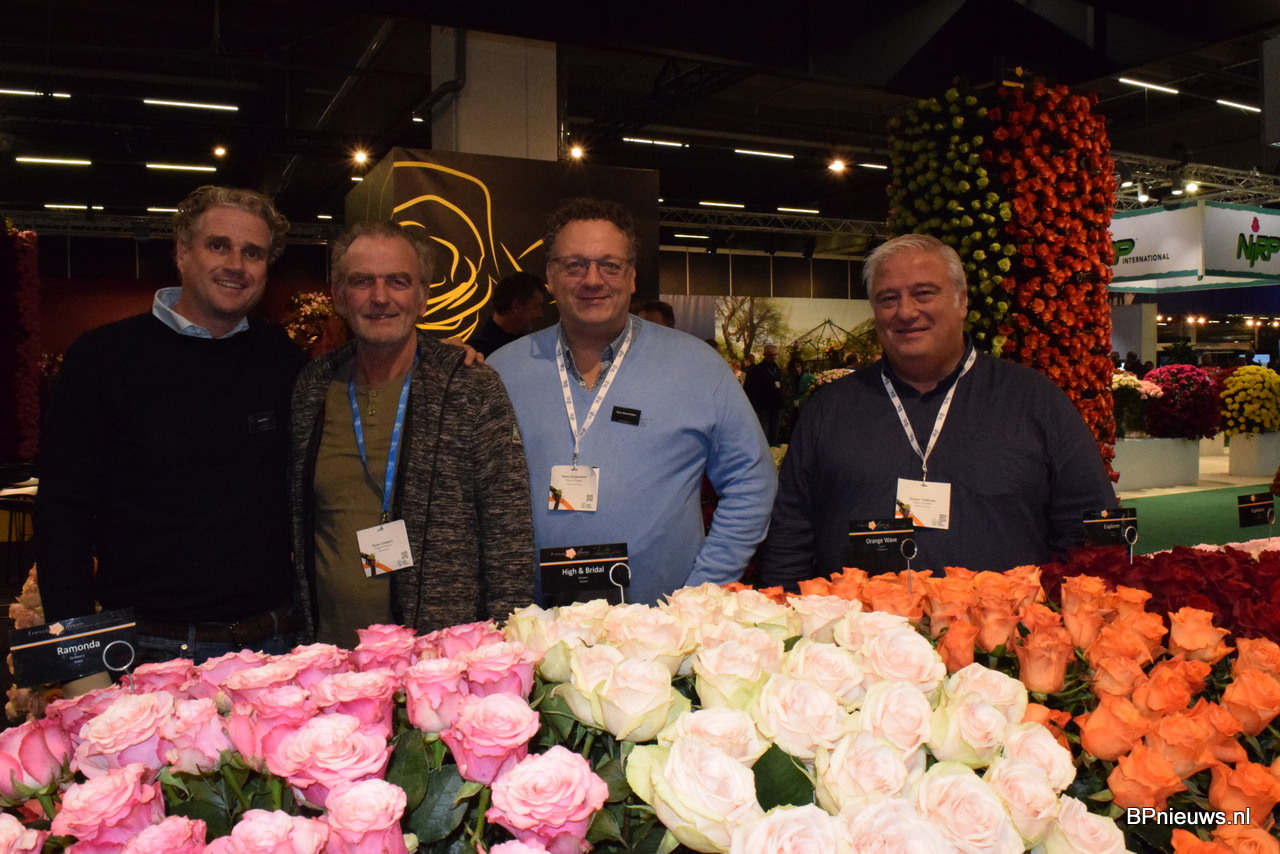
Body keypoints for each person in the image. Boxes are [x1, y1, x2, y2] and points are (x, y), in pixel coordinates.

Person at [36, 185, 308, 673]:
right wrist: (78, 662)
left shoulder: (283, 361)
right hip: (148, 654)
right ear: (182, 252)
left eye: (253, 252)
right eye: (218, 245)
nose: (236, 264)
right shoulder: (102, 359)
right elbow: (63, 514)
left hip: (274, 648)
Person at [758, 233, 1115, 588]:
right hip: (853, 622)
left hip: (1003, 624)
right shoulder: (830, 409)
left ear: (962, 301)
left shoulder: (1035, 401)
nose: (906, 311)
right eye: (888, 298)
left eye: (924, 293)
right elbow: (790, 532)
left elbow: (1089, 529)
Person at [488, 198, 776, 605]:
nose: (592, 280)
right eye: (574, 265)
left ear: (632, 275)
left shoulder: (697, 366)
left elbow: (751, 480)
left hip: (662, 626)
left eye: (610, 265)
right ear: (550, 276)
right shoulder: (502, 371)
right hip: (531, 623)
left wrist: (702, 591)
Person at [289, 221, 534, 647]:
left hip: (438, 661)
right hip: (329, 655)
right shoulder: (312, 386)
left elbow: (508, 534)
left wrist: (505, 646)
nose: (380, 297)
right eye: (362, 281)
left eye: (398, 281)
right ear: (339, 295)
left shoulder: (468, 386)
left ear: (422, 297)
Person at [468, 271, 547, 357]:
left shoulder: (525, 342)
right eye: (536, 307)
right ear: (516, 307)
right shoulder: (479, 352)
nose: (540, 314)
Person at [743, 343, 785, 445]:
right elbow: (749, 391)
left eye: (775, 355)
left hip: (776, 406)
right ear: (765, 355)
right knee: (763, 436)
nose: (773, 357)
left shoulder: (776, 367)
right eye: (771, 355)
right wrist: (755, 409)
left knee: (774, 435)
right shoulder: (756, 370)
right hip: (763, 408)